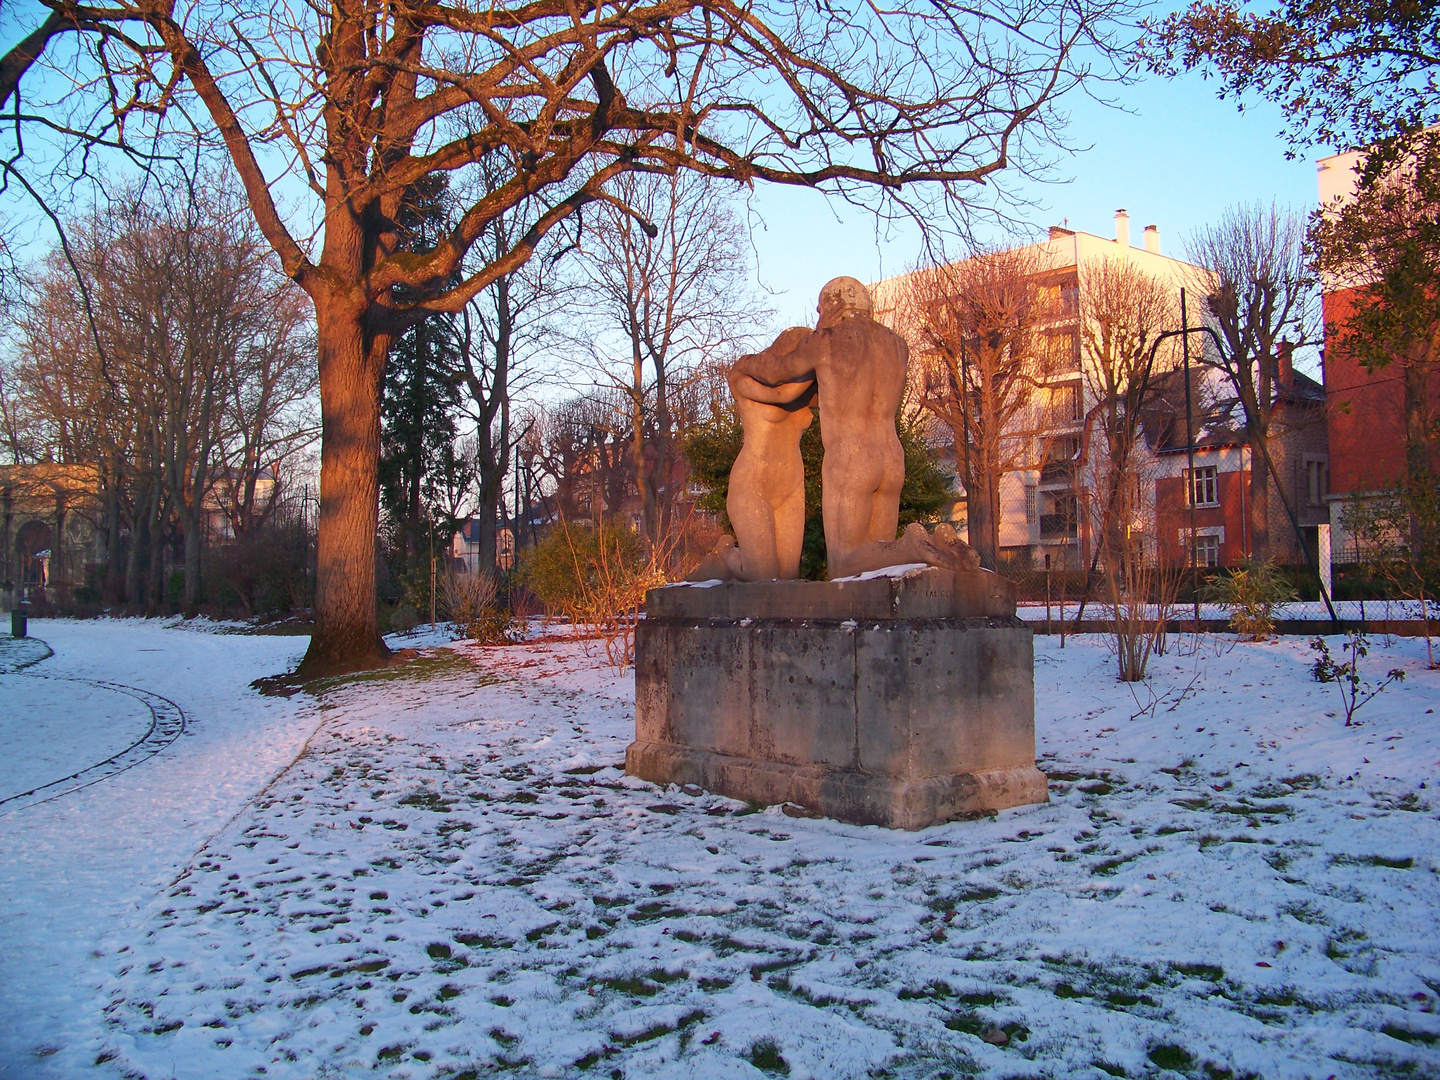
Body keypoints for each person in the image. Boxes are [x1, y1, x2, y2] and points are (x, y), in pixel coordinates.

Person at [687, 330, 815, 581]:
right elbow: (782, 395)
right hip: (752, 484)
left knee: (788, 576)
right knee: (763, 575)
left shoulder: (809, 386)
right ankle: (726, 554)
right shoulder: (745, 377)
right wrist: (816, 360)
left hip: (791, 486)